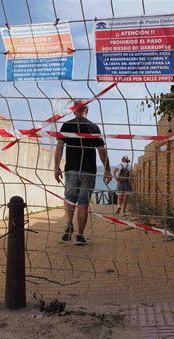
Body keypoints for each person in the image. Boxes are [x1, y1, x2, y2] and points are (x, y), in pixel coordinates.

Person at [54, 100, 112, 245]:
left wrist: (56, 167)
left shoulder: (67, 125)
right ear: (87, 110)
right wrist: (107, 170)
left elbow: (59, 147)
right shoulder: (93, 128)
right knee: (83, 204)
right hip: (88, 170)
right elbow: (102, 151)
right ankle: (79, 236)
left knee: (69, 198)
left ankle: (68, 223)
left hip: (71, 169)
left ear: (74, 110)